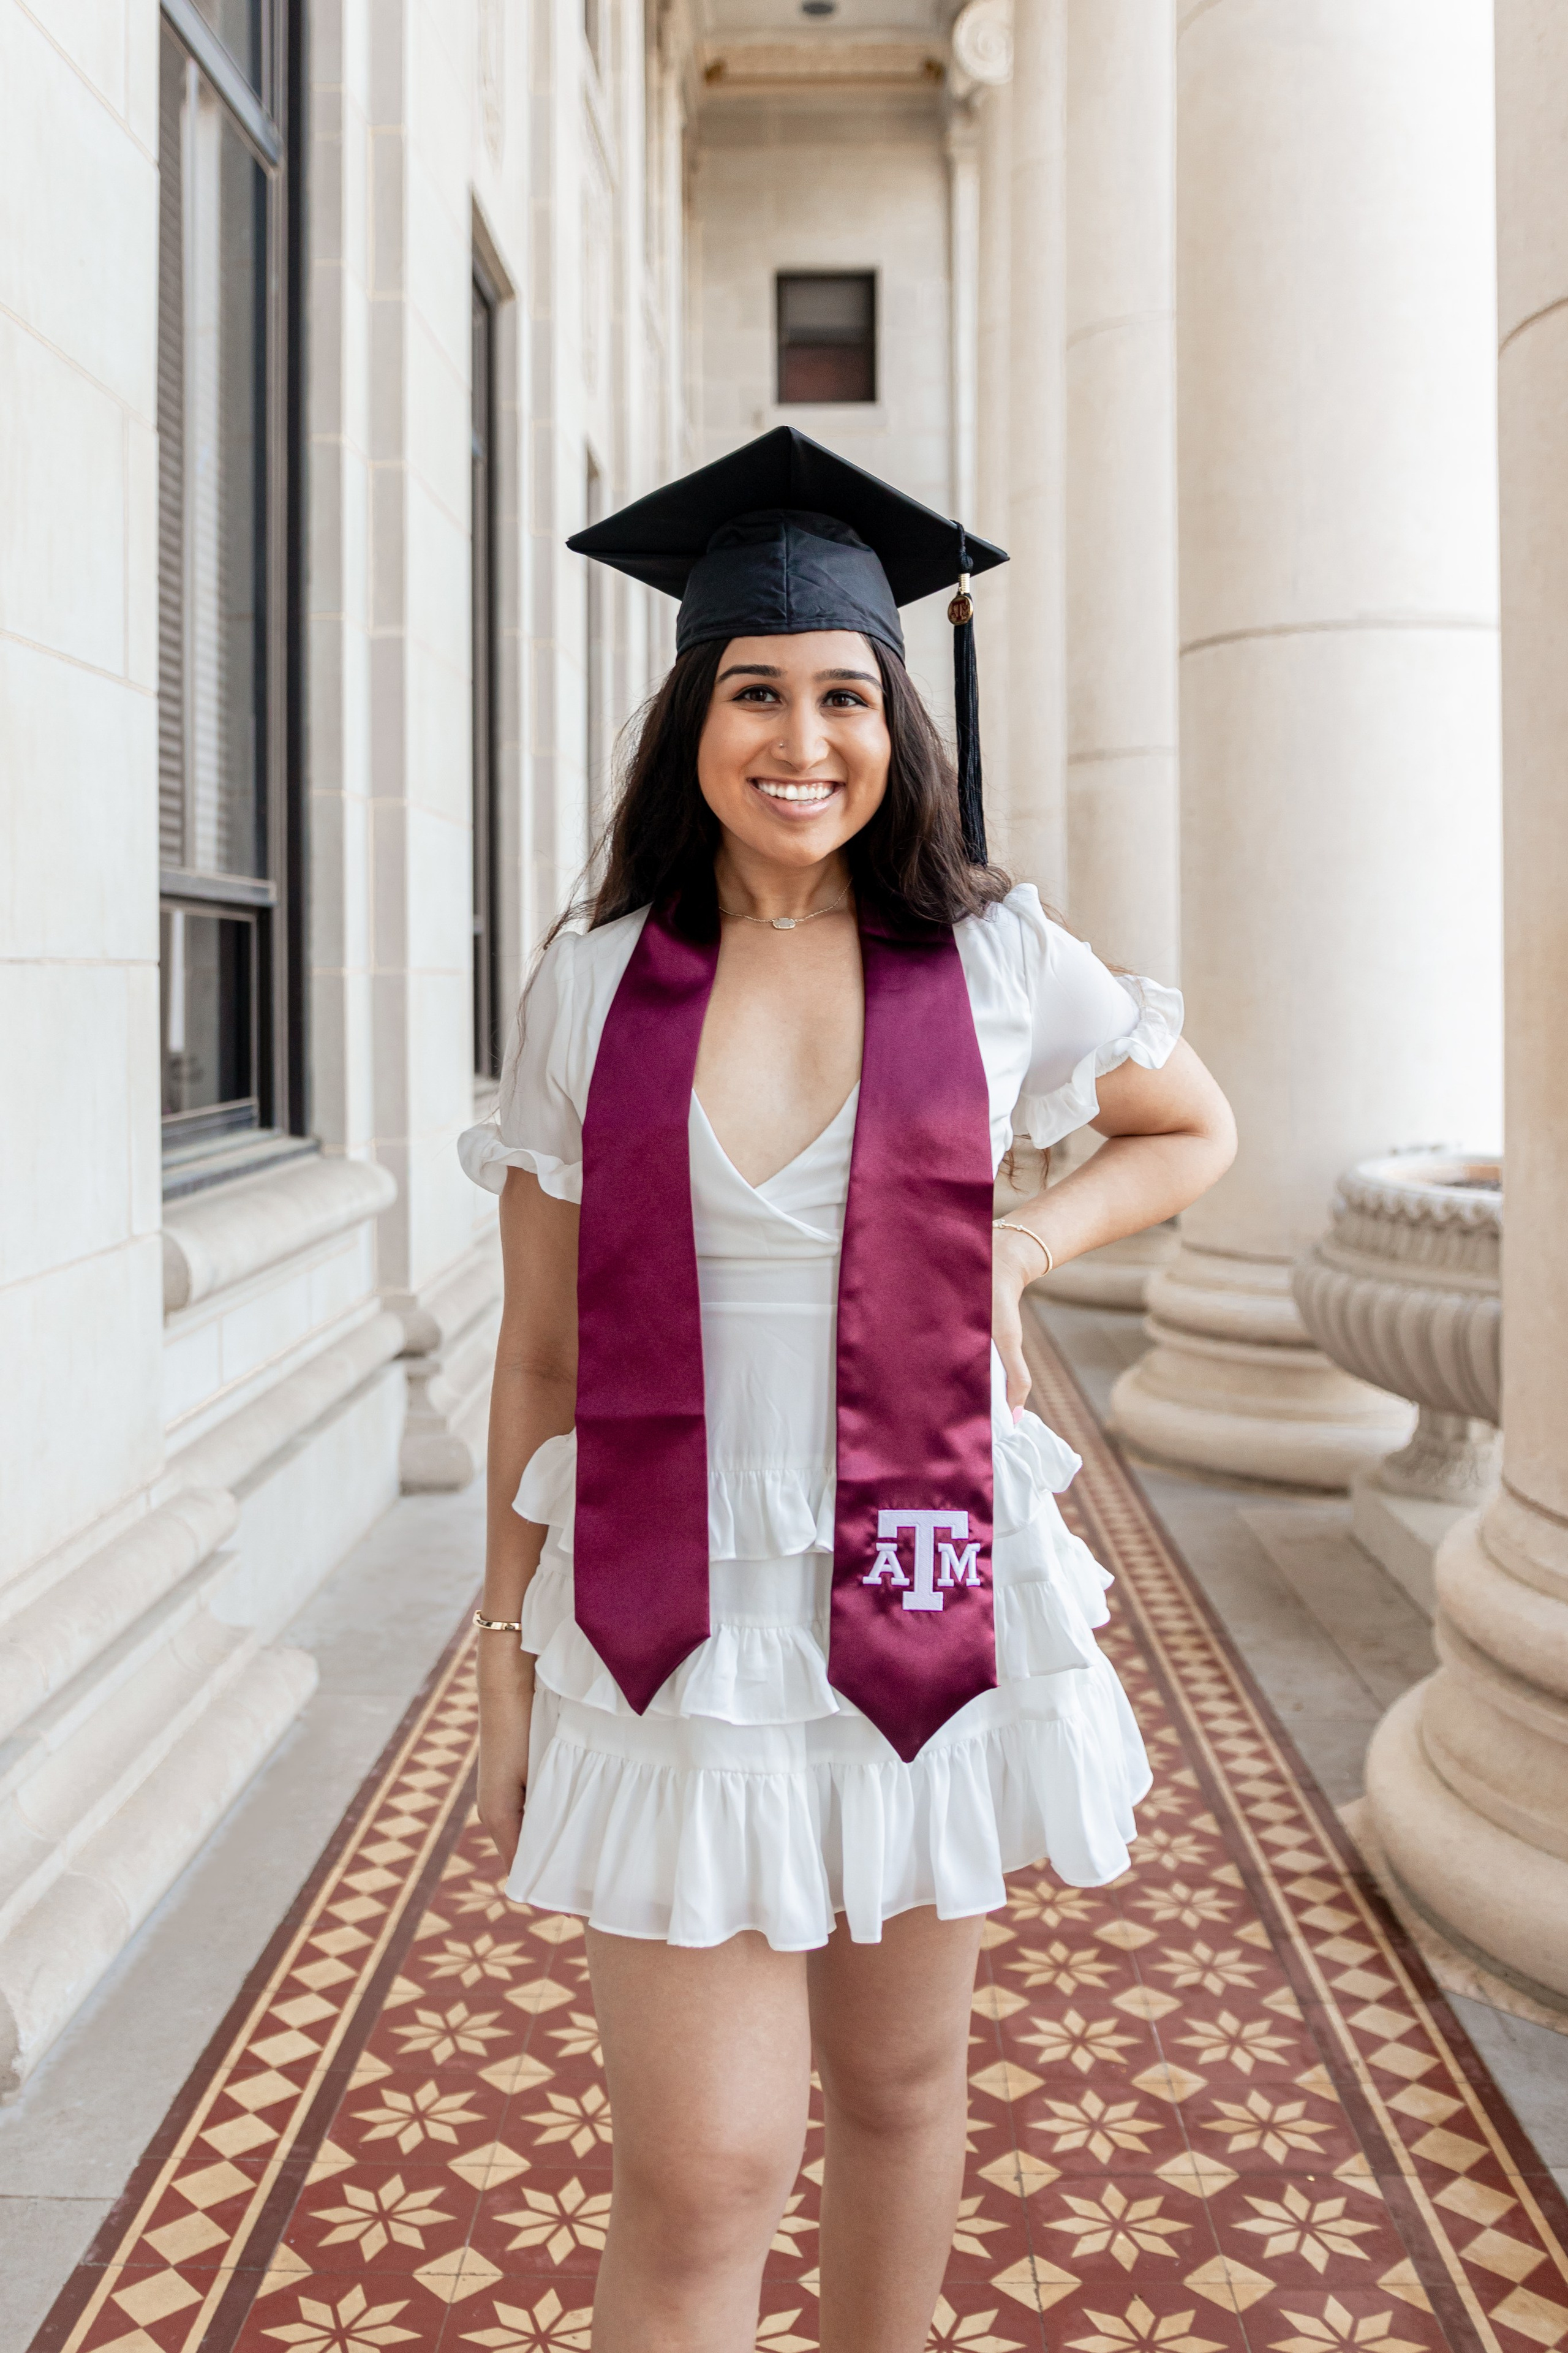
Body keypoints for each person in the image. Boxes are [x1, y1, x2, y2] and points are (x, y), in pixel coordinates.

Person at [459, 427, 1236, 2353]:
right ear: (691, 719)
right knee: (704, 2166)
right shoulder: (593, 988)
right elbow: (540, 1354)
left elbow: (1188, 1123)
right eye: (754, 692)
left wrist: (1026, 1252)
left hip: (923, 1572)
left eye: (842, 693)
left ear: (895, 715)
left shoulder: (990, 961)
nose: (800, 738)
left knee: (899, 2095)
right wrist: (498, 1652)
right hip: (671, 1608)